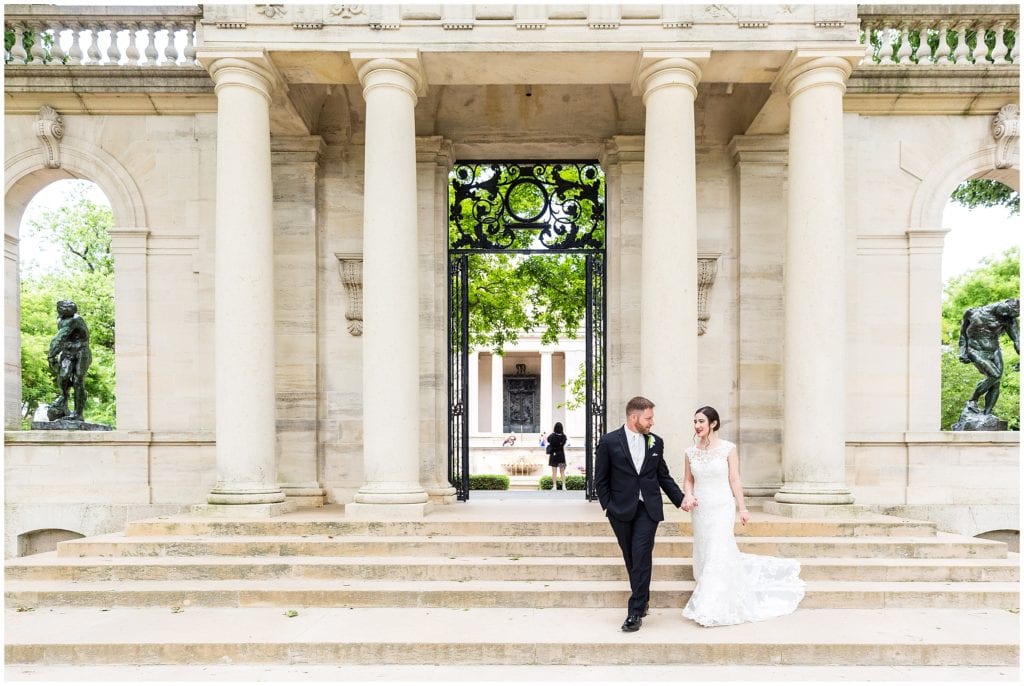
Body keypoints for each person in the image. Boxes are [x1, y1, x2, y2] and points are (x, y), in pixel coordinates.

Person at [681, 406, 805, 627]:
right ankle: (707, 585)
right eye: (695, 422)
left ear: (713, 424)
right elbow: (689, 479)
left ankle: (712, 604)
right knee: (705, 547)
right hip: (701, 507)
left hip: (722, 505)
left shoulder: (728, 449)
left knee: (719, 546)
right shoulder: (690, 452)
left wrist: (743, 508)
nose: (697, 426)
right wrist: (688, 496)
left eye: (701, 421)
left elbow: (734, 479)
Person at [595, 396, 684, 632]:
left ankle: (635, 611)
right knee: (631, 557)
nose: (652, 422)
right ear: (634, 417)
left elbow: (662, 476)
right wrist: (609, 507)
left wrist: (681, 499)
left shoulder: (656, 442)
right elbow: (600, 480)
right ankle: (642, 599)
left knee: (641, 554)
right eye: (648, 417)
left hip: (648, 508)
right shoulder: (609, 441)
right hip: (620, 509)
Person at [958, 298, 1020, 415]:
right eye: (1008, 311)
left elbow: (1017, 340)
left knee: (996, 383)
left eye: (1012, 314)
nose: (1007, 315)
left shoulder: (1009, 320)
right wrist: (962, 352)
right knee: (995, 375)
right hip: (975, 350)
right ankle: (973, 400)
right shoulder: (972, 313)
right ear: (1004, 303)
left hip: (995, 351)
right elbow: (962, 334)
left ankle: (987, 414)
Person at [46, 299, 92, 421]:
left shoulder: (75, 320)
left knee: (78, 380)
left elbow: (60, 338)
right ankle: (63, 404)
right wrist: (54, 355)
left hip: (81, 351)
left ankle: (78, 413)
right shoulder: (61, 320)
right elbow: (62, 338)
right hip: (67, 351)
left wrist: (51, 355)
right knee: (63, 377)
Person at [545, 422, 568, 490]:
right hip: (561, 455)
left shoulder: (552, 435)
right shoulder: (564, 436)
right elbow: (563, 444)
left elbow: (548, 440)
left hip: (554, 455)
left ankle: (554, 486)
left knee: (554, 472)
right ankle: (564, 486)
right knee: (562, 471)